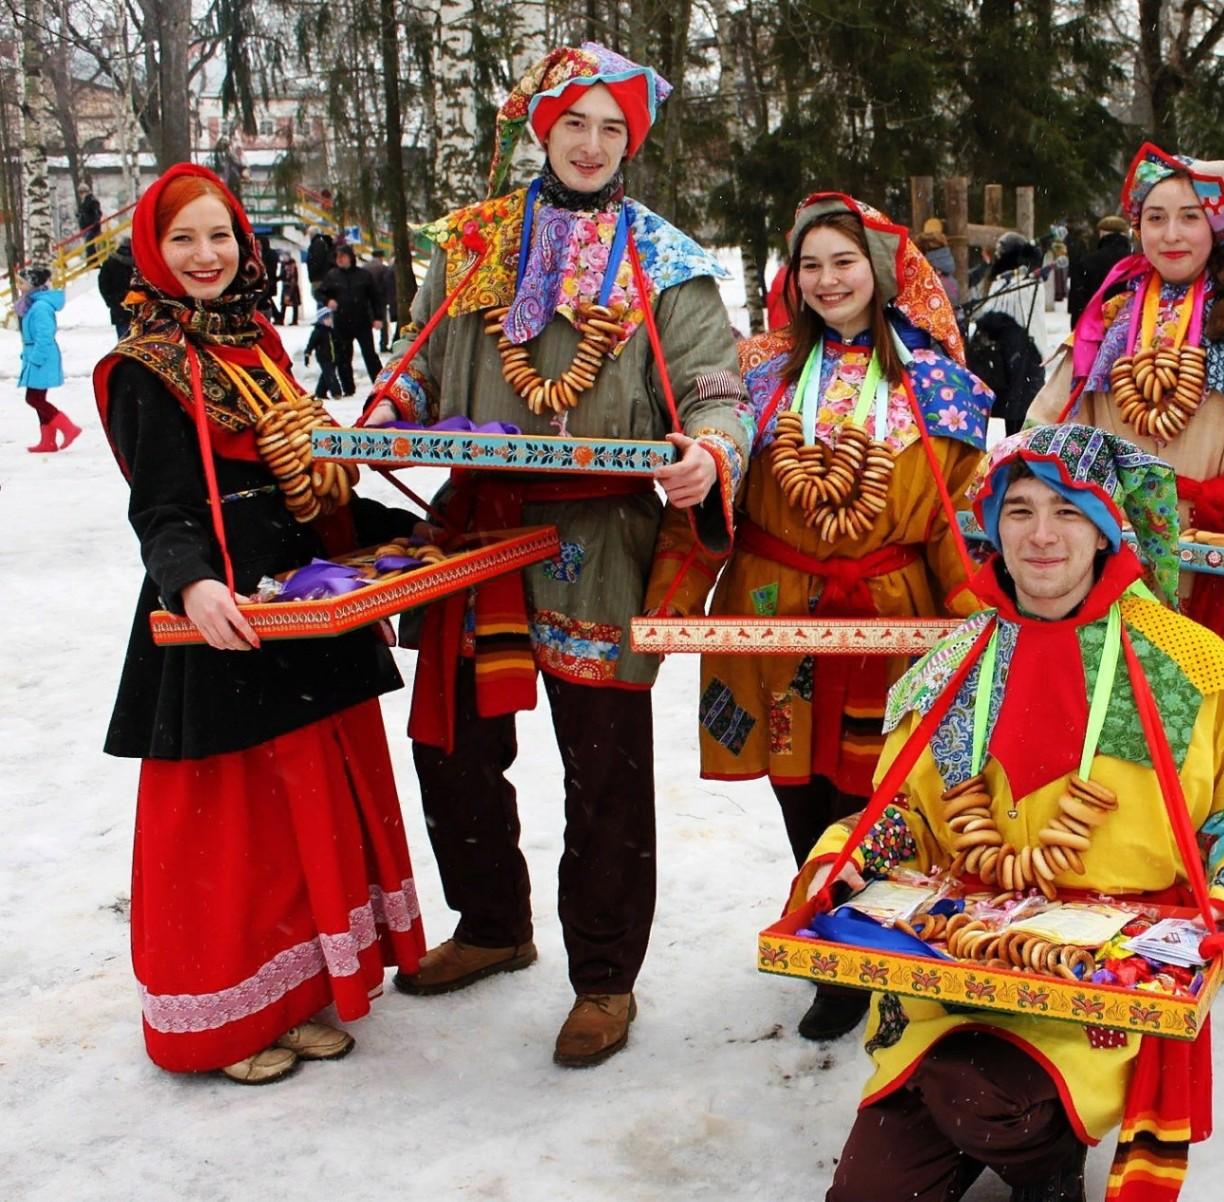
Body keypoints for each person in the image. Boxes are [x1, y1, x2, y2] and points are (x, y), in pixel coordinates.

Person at [363, 42, 749, 1067]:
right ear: (540, 128)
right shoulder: (473, 242)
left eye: (611, 128)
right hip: (477, 528)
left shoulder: (662, 259)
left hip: (602, 539)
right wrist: (383, 416)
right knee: (450, 745)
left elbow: (715, 384)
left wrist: (710, 452)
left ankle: (604, 976)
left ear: (632, 141)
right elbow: (415, 361)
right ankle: (492, 920)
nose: (590, 144)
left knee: (605, 764)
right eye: (573, 122)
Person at [809, 423, 1224, 1202]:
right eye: (1020, 509)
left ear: (1104, 531)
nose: (1041, 536)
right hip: (946, 972)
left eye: (1068, 512)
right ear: (991, 524)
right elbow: (899, 815)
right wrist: (840, 861)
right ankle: (975, 1112)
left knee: (978, 1095)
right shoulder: (951, 662)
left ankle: (1044, 1166)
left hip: (1104, 984)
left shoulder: (1184, 662)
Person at [92, 163, 427, 1085]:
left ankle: (296, 994)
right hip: (223, 613)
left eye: (221, 236)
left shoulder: (261, 349)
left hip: (301, 600)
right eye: (183, 239)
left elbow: (305, 484)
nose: (206, 256)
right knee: (230, 829)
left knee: (302, 815)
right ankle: (225, 1018)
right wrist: (191, 587)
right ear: (153, 255)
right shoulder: (144, 367)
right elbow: (162, 507)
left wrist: (403, 537)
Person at [644, 192, 991, 1040]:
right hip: (770, 608)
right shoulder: (751, 371)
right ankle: (826, 941)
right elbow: (710, 491)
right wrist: (667, 610)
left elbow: (955, 518)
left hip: (891, 620)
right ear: (790, 278)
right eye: (811, 265)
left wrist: (981, 624)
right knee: (795, 785)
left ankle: (875, 937)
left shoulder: (940, 386)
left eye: (844, 262)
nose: (828, 280)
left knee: (879, 791)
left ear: (879, 273)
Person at [1027, 143, 1224, 746]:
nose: (1171, 234)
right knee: (1113, 740)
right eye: (1155, 217)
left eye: (1190, 215)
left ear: (1220, 223)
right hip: (1118, 553)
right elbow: (1050, 432)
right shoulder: (1107, 323)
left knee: (1223, 748)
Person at [17, 266, 79, 452]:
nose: (19, 286)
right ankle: (48, 441)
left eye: (22, 282)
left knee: (34, 398)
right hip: (35, 354)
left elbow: (45, 335)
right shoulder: (33, 304)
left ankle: (68, 428)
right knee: (37, 397)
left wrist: (36, 357)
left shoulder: (40, 307)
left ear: (33, 284)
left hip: (41, 356)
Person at [317, 245, 383, 391]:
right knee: (343, 356)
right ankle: (348, 388)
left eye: (343, 256)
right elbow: (320, 293)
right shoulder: (332, 275)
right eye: (337, 257)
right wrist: (328, 301)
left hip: (362, 321)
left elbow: (375, 297)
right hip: (342, 321)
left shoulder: (364, 275)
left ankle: (380, 384)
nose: (339, 259)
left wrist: (378, 317)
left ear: (350, 258)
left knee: (370, 355)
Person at [303, 305, 347, 398]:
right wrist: (307, 354)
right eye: (327, 318)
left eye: (330, 318)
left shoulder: (332, 331)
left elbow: (338, 342)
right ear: (321, 320)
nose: (330, 320)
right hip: (324, 357)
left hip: (333, 357)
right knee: (330, 375)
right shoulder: (318, 332)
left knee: (326, 375)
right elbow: (311, 344)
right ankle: (336, 392)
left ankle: (320, 392)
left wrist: (342, 350)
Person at [98, 236, 135, 339]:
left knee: (123, 341)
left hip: (119, 309)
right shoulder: (139, 263)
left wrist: (111, 302)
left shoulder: (109, 263)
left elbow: (103, 286)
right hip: (138, 308)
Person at [366, 247, 397, 350]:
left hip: (366, 298)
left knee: (367, 322)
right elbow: (387, 284)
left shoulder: (365, 267)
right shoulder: (383, 268)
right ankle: (383, 344)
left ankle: (368, 345)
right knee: (383, 321)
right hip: (379, 299)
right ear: (381, 257)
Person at [76, 182, 104, 265]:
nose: (80, 194)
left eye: (81, 192)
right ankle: (92, 262)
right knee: (89, 246)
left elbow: (97, 213)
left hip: (91, 227)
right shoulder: (86, 201)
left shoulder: (91, 200)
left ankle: (93, 263)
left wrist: (95, 223)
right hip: (88, 227)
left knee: (90, 246)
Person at [278, 251, 303, 324]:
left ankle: (294, 320)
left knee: (294, 304)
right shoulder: (283, 264)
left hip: (292, 286)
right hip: (286, 286)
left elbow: (294, 277)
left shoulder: (292, 265)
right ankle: (281, 319)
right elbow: (282, 275)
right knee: (284, 305)